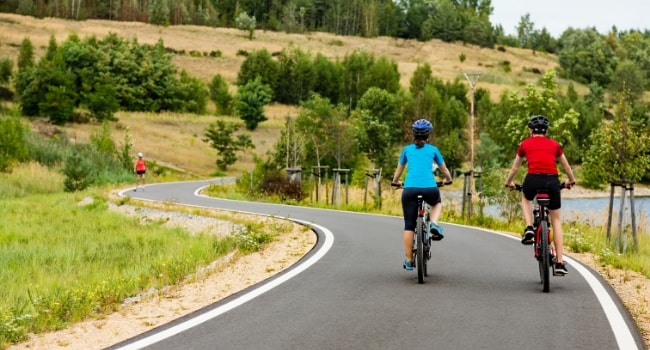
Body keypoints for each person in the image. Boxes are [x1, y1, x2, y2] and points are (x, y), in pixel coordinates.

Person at [504, 115, 577, 276]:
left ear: (531, 130)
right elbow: (566, 166)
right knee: (556, 220)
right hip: (552, 181)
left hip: (532, 179)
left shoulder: (524, 144)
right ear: (546, 131)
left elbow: (515, 168)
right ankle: (559, 262)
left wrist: (508, 182)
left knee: (525, 196)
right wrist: (571, 180)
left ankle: (529, 227)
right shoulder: (554, 144)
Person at [391, 119, 453, 271]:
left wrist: (396, 182)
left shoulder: (407, 150)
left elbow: (398, 171)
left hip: (410, 189)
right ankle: (433, 223)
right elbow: (444, 170)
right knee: (436, 203)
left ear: (414, 134)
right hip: (429, 188)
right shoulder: (433, 150)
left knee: (409, 226)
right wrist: (448, 180)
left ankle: (409, 259)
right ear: (428, 135)